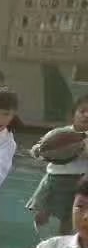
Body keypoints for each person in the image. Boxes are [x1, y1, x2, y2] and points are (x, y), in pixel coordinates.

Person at [26, 94, 88, 236]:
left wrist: (77, 147)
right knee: (40, 215)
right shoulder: (59, 133)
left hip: (78, 182)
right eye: (82, 111)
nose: (87, 115)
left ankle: (64, 243)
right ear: (73, 114)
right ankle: (45, 240)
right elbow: (40, 147)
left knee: (69, 220)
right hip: (51, 179)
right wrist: (38, 151)